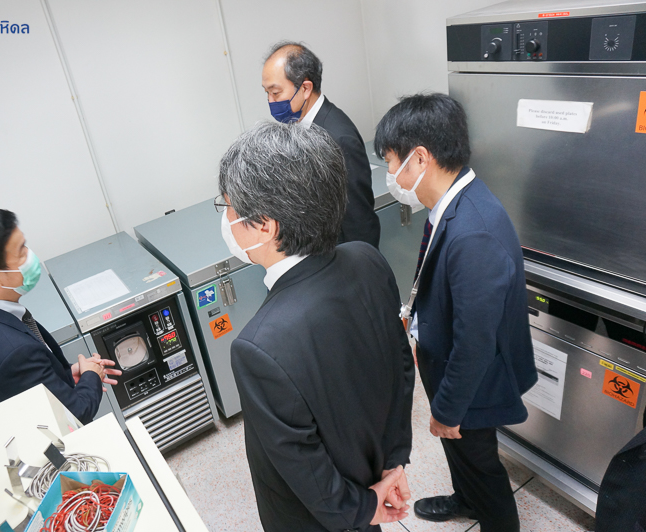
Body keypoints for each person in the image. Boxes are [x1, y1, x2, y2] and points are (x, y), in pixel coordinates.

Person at [217, 121, 415, 531]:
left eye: (230, 208)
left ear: (266, 225)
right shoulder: (367, 260)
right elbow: (400, 367)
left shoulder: (258, 347)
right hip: (372, 470)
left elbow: (304, 464)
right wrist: (392, 464)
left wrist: (363, 507)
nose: (228, 220)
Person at [374, 93, 538, 532]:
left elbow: (475, 342)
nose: (390, 174)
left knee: (481, 464)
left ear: (419, 158)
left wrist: (446, 411)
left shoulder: (473, 233)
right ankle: (466, 499)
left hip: (473, 386)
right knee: (463, 455)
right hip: (450, 368)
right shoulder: (455, 201)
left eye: (391, 162)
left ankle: (494, 517)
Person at [0, 207, 121, 424]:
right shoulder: (15, 352)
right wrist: (92, 376)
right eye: (21, 252)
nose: (30, 256)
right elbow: (77, 412)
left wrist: (66, 374)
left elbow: (20, 381)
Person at [262, 41, 380, 248]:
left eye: (276, 92)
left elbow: (359, 220)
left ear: (305, 88)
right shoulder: (299, 125)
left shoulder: (338, 139)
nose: (271, 101)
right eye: (267, 93)